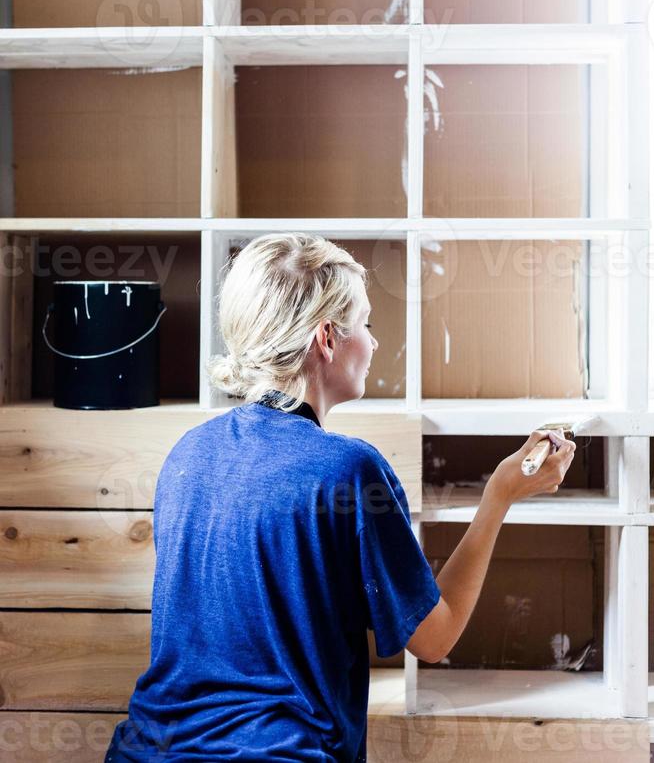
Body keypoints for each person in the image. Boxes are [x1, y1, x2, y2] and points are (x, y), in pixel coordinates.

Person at [104, 233, 575, 762]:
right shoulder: (348, 470)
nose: (373, 343)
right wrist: (499, 497)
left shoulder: (188, 455)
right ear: (327, 338)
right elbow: (434, 638)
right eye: (366, 324)